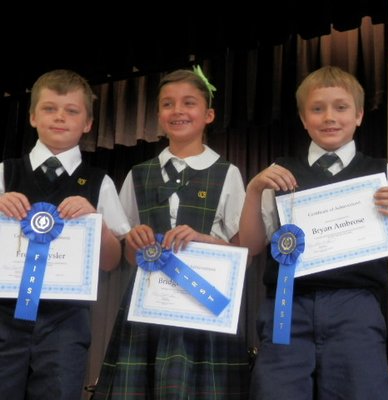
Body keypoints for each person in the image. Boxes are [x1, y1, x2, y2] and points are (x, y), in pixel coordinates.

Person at [239, 65, 388, 399]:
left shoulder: (380, 173)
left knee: (360, 391)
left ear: (360, 115)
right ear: (304, 119)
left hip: (357, 307)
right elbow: (251, 247)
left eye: (341, 107)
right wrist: (252, 191)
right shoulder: (278, 174)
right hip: (288, 304)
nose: (329, 117)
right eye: (317, 109)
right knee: (276, 392)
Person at [93, 67, 250, 399]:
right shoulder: (138, 175)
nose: (178, 111)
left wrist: (209, 241)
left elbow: (242, 251)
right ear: (159, 115)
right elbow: (126, 252)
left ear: (208, 114)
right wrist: (133, 242)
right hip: (147, 308)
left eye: (188, 103)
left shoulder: (227, 173)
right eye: (168, 104)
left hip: (204, 308)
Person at [0, 69, 130, 400]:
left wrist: (95, 221)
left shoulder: (100, 182)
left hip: (66, 322)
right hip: (3, 317)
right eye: (49, 108)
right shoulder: (5, 173)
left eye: (72, 111)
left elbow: (112, 261)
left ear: (88, 123)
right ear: (31, 116)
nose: (60, 117)